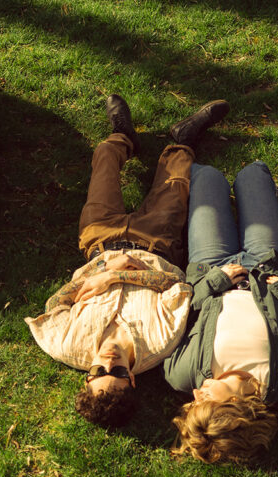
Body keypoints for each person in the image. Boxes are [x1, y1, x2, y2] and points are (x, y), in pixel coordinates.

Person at [25, 94, 230, 427]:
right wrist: (118, 278)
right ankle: (183, 138)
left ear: (87, 378)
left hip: (100, 241)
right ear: (132, 380)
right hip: (156, 243)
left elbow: (56, 303)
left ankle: (124, 136)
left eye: (99, 372)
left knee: (104, 155)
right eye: (118, 372)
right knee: (178, 176)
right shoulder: (159, 344)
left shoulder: (65, 344)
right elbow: (178, 288)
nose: (108, 361)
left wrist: (103, 272)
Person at [163, 160, 278, 464]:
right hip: (267, 263)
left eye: (192, 406)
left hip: (211, 266)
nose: (194, 396)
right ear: (233, 405)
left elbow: (172, 319)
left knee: (206, 175)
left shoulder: (182, 375)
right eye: (203, 403)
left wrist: (214, 283)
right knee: (253, 174)